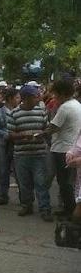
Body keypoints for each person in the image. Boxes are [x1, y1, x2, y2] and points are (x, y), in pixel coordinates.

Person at [7, 85, 52, 222]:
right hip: (21, 154)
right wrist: (22, 135)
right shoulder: (14, 113)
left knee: (41, 183)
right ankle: (27, 205)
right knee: (24, 183)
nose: (38, 98)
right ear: (26, 98)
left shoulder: (42, 111)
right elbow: (10, 134)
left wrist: (42, 134)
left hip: (39, 153)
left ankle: (45, 208)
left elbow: (47, 129)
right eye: (35, 96)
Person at [39, 79, 81, 219]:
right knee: (70, 182)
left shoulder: (65, 107)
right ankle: (70, 209)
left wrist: (39, 134)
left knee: (64, 184)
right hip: (73, 148)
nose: (54, 97)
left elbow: (53, 127)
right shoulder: (76, 104)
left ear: (62, 93)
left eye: (55, 93)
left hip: (62, 149)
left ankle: (70, 211)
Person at [0, 88, 21, 205]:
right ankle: (3, 195)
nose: (19, 100)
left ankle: (24, 197)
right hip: (3, 146)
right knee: (2, 171)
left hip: (17, 145)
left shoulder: (20, 111)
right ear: (10, 99)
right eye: (17, 97)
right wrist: (7, 135)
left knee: (19, 172)